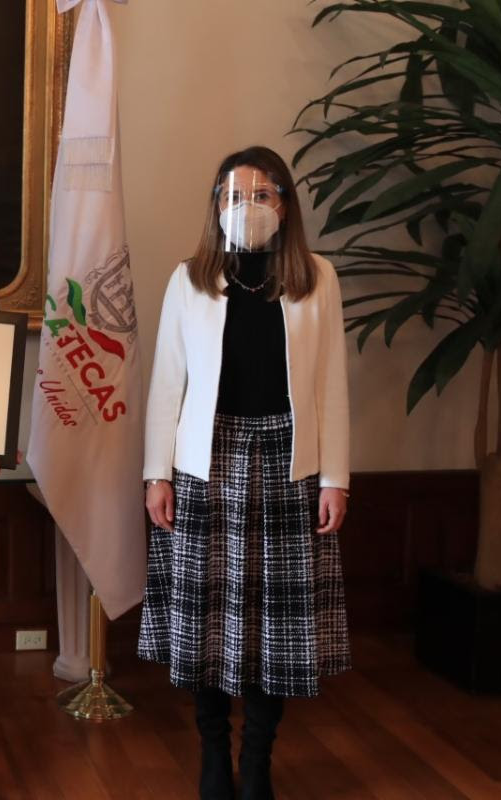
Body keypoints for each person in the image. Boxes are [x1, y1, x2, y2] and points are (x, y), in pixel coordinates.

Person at [138, 146, 352, 800]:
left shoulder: (317, 278)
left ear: (285, 205)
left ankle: (256, 759)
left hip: (290, 466)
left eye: (262, 195)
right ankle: (213, 753)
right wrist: (157, 474)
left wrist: (336, 478)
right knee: (205, 623)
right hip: (206, 465)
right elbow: (167, 383)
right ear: (216, 206)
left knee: (275, 629)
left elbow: (331, 384)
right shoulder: (190, 279)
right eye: (234, 196)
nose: (247, 207)